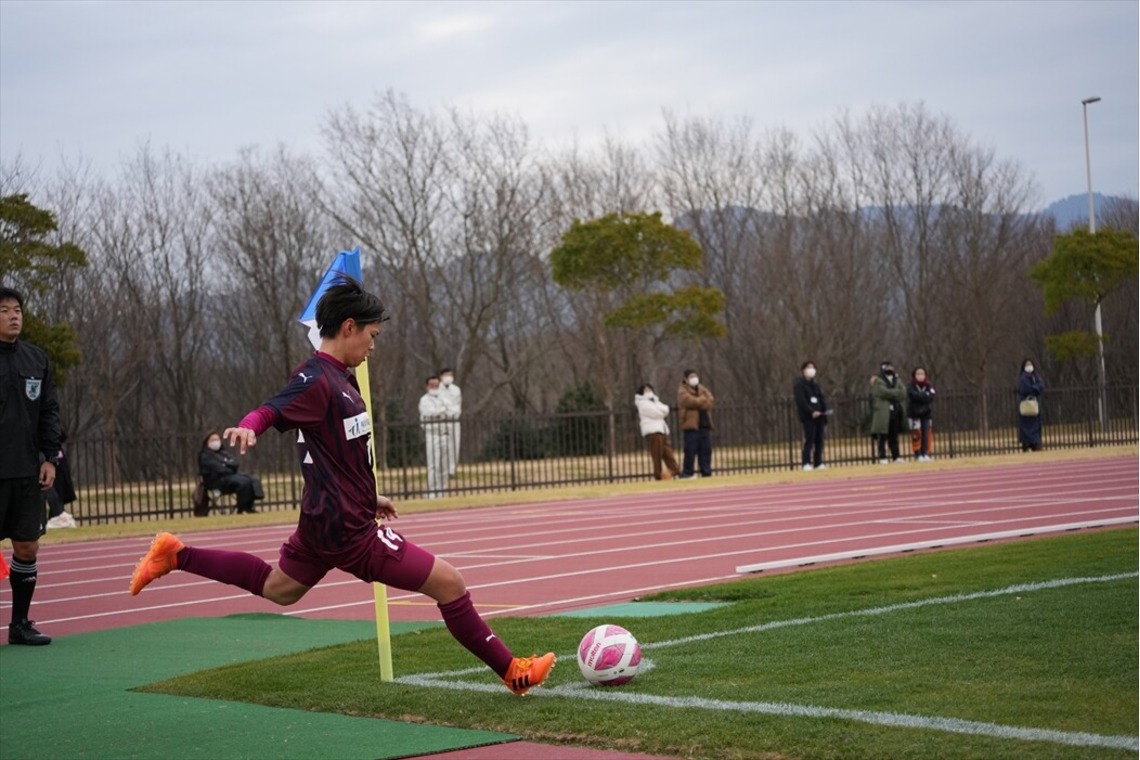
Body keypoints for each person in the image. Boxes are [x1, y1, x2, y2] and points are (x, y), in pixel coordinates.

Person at [128, 276, 554, 695]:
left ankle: (177, 555)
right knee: (450, 583)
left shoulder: (342, 379)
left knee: (279, 588)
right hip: (348, 531)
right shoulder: (316, 380)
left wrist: (371, 496)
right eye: (372, 334)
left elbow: (341, 454)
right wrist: (247, 427)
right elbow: (271, 409)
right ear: (348, 327)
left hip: (325, 521)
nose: (373, 344)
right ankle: (512, 671)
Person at [0, 286, 61, 645]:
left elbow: (50, 412)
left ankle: (19, 624)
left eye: (17, 309)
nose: (14, 315)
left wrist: (51, 458)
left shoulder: (36, 359)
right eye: (5, 309)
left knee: (27, 547)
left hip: (26, 472)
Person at [198, 430, 265, 514]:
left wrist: (225, 465)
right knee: (243, 482)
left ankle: (249, 507)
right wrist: (228, 466)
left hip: (230, 477)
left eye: (217, 439)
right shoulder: (204, 455)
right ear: (207, 442)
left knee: (252, 480)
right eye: (212, 440)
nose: (215, 442)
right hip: (216, 481)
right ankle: (242, 509)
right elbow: (219, 469)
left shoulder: (223, 453)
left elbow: (235, 463)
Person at [418, 375, 457, 499]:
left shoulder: (445, 399)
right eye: (432, 385)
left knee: (444, 464)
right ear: (427, 386)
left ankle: (442, 490)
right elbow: (428, 413)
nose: (434, 387)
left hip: (445, 434)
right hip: (432, 435)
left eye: (436, 385)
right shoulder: (424, 400)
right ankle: (433, 490)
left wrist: (440, 411)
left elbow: (453, 412)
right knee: (433, 464)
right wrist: (441, 411)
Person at [634, 384, 680, 481]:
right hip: (653, 431)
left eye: (650, 389)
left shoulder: (655, 401)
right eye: (646, 390)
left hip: (662, 430)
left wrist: (660, 411)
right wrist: (661, 412)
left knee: (668, 454)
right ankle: (658, 475)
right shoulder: (642, 403)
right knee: (657, 455)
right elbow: (656, 413)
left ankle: (674, 471)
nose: (649, 391)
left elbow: (666, 409)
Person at [677, 369, 714, 478]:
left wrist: (699, 401)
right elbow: (689, 401)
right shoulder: (682, 390)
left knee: (706, 450)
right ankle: (687, 472)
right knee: (690, 450)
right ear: (685, 379)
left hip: (704, 425)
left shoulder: (702, 388)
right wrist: (702, 400)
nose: (694, 378)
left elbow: (710, 401)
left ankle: (706, 471)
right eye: (691, 376)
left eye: (695, 376)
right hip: (691, 425)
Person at [869, 360, 907, 464]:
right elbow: (882, 392)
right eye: (887, 367)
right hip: (883, 413)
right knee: (882, 436)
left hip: (895, 411)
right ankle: (882, 457)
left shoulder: (897, 380)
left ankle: (896, 456)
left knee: (894, 436)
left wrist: (893, 393)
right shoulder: (878, 380)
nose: (890, 369)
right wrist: (895, 393)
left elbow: (903, 392)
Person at [793, 361, 829, 471]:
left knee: (819, 440)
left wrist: (824, 411)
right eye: (809, 367)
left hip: (820, 416)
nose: (811, 369)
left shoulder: (815, 385)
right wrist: (811, 411)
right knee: (810, 439)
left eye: (813, 367)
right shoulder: (799, 385)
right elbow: (801, 401)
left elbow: (821, 398)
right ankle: (806, 462)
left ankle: (818, 462)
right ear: (803, 370)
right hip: (809, 417)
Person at [45, 429, 78, 529]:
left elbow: (62, 435)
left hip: (55, 457)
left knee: (57, 487)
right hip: (46, 455)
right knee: (47, 486)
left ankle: (56, 515)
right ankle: (57, 513)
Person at [907, 367, 936, 462]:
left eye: (922, 374)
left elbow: (931, 395)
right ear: (914, 375)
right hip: (914, 413)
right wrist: (924, 395)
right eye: (918, 374)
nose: (920, 376)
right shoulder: (911, 386)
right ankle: (918, 454)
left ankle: (925, 453)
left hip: (926, 413)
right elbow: (913, 395)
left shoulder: (928, 385)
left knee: (926, 433)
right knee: (916, 434)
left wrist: (923, 396)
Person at [1017, 358, 1045, 452]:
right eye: (1027, 364)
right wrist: (1035, 388)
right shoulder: (1023, 378)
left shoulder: (1035, 376)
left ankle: (1035, 443)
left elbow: (1041, 386)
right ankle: (1027, 443)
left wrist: (1035, 388)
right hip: (1026, 405)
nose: (1029, 366)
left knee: (1036, 425)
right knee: (1026, 426)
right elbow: (1026, 389)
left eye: (1030, 364)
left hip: (1035, 406)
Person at [437, 368, 461, 477]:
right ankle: (443, 469)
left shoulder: (456, 390)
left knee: (454, 445)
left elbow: (457, 406)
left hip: (454, 420)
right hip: (441, 421)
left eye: (450, 375)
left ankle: (452, 469)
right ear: (441, 376)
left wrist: (451, 412)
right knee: (443, 446)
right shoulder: (437, 390)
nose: (448, 377)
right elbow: (439, 406)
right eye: (446, 375)